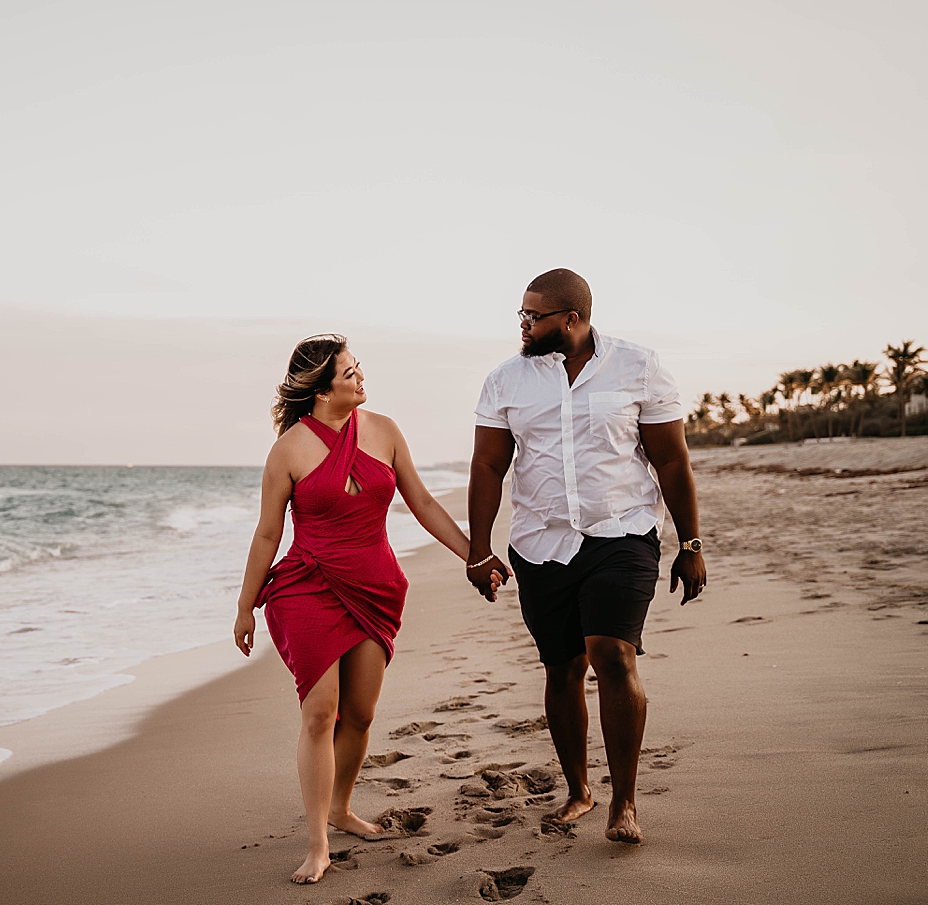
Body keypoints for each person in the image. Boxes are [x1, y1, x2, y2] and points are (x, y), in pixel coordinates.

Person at [234, 334, 502, 885]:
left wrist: (475, 555)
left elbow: (422, 502)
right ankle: (317, 845)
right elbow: (266, 534)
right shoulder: (288, 450)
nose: (361, 378)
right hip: (307, 587)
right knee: (319, 713)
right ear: (321, 386)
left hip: (375, 586)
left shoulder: (383, 430)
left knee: (360, 713)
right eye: (350, 372)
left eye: (359, 369)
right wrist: (244, 608)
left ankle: (340, 807)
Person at [464, 268, 706, 844]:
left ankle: (624, 802)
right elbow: (488, 466)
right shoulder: (505, 381)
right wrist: (479, 549)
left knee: (613, 655)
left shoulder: (637, 367)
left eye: (533, 316)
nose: (522, 325)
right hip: (540, 542)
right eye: (520, 315)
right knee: (563, 666)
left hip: (620, 533)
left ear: (570, 318)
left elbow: (672, 461)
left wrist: (690, 544)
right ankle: (579, 789)